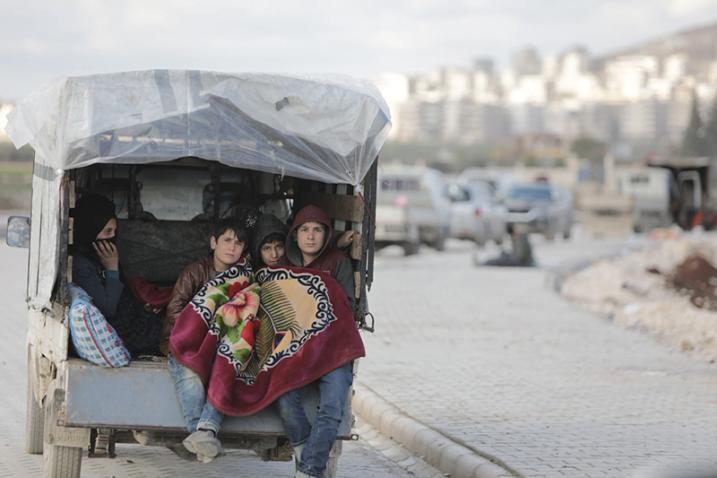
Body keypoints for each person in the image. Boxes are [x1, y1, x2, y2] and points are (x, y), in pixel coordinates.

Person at [276, 204, 356, 478]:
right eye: (305, 230)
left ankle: (309, 470)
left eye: (318, 230)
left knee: (333, 405)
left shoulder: (338, 263)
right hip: (295, 349)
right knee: (284, 397)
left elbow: (346, 309)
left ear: (326, 235)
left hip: (332, 349)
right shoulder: (283, 265)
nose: (311, 236)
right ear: (295, 235)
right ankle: (304, 452)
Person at [162, 219, 249, 463]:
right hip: (186, 342)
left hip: (224, 345)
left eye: (239, 243)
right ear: (213, 242)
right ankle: (202, 436)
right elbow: (174, 309)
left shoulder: (246, 277)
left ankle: (202, 435)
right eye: (227, 240)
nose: (232, 247)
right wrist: (203, 331)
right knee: (190, 376)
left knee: (228, 370)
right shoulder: (195, 271)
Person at [71, 193, 162, 356]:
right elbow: (108, 308)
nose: (112, 237)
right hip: (119, 328)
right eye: (107, 231)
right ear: (91, 231)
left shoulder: (98, 258)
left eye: (114, 231)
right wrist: (112, 268)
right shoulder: (82, 265)